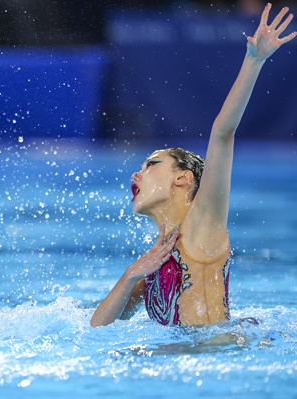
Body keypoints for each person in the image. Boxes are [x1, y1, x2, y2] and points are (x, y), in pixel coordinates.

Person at [90, 3, 296, 327]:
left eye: (152, 165)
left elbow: (223, 134)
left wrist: (254, 60)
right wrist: (131, 274)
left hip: (220, 357)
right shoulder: (154, 262)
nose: (136, 173)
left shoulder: (203, 225)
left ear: (183, 179)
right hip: (189, 362)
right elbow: (97, 327)